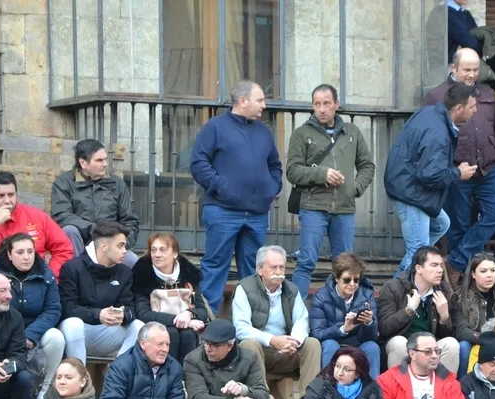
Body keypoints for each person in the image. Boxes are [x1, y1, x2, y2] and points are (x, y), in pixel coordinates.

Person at [190, 80, 282, 313]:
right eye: (260, 100)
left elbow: (275, 165)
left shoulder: (264, 132)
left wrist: (272, 188)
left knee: (254, 272)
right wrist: (220, 186)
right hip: (222, 211)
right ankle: (206, 321)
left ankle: (253, 322)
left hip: (257, 214)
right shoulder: (215, 127)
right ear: (243, 101)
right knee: (215, 267)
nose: (264, 105)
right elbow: (198, 163)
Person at [424, 49, 495, 277]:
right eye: (467, 70)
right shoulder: (436, 96)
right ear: (453, 68)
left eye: (475, 70)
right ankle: (465, 278)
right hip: (457, 170)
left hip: (488, 167)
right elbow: (429, 135)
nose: (472, 75)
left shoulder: (487, 92)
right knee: (458, 225)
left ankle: (456, 262)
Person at [287, 84, 375, 298]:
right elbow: (292, 171)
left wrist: (355, 188)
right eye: (317, 104)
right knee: (306, 261)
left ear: (336, 104)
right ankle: (297, 311)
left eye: (326, 103)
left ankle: (341, 309)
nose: (322, 109)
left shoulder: (352, 132)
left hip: (344, 208)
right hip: (313, 206)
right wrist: (322, 174)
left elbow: (367, 166)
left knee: (345, 265)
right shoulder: (301, 134)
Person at [385, 82, 477, 276]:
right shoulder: (438, 134)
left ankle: (406, 276)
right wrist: (458, 173)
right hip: (411, 193)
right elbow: (430, 175)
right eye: (472, 107)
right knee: (418, 252)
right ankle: (398, 288)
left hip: (405, 185)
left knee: (442, 224)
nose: (475, 110)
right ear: (459, 109)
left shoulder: (429, 113)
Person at [233, 245, 321, 399]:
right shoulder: (244, 289)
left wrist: (294, 341)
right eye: (273, 267)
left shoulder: (291, 289)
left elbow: (302, 319)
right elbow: (241, 328)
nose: (279, 271)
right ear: (259, 269)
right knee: (249, 344)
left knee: (312, 344)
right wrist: (272, 340)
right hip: (260, 350)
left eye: (282, 267)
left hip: (285, 350)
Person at [0, 233, 65, 399]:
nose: (26, 257)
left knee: (56, 337)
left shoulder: (46, 274)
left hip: (34, 332)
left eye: (30, 251)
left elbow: (53, 310)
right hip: (2, 331)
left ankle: (45, 389)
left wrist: (30, 335)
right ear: (9, 254)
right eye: (20, 252)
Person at [58, 220, 143, 364]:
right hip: (77, 332)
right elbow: (68, 309)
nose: (125, 251)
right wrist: (98, 315)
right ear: (104, 246)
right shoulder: (72, 268)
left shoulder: (125, 272)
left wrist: (123, 315)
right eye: (120, 245)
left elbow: (130, 307)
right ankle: (78, 375)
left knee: (138, 327)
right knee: (73, 324)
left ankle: (118, 374)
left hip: (107, 332)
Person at [0, 171, 73, 284]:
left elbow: (64, 248)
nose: (7, 201)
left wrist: (50, 276)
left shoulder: (37, 216)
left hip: (34, 278)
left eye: (11, 195)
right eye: (0, 196)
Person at [49, 138, 139, 261]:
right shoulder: (64, 183)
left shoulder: (117, 184)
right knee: (69, 230)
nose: (105, 164)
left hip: (110, 243)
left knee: (132, 260)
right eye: (99, 160)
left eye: (105, 159)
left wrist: (121, 244)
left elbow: (130, 221)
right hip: (80, 242)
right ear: (83, 163)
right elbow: (61, 216)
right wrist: (95, 230)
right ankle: (77, 269)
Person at [377, 245, 460, 373]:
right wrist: (408, 310)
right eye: (434, 265)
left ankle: (445, 386)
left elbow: (448, 334)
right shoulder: (393, 287)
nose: (440, 270)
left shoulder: (444, 291)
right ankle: (399, 385)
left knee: (451, 344)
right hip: (403, 344)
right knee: (399, 342)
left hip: (429, 346)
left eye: (440, 265)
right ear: (418, 268)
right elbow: (384, 328)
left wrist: (444, 318)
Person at [131, 233, 208, 363]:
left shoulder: (189, 274)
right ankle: (164, 373)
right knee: (170, 333)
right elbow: (143, 314)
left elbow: (202, 311)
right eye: (153, 250)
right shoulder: (141, 275)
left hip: (187, 328)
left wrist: (189, 314)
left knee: (188, 334)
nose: (157, 255)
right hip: (154, 327)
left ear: (175, 253)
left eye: (163, 250)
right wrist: (180, 320)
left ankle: (186, 373)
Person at [310, 253, 379, 378]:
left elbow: (371, 338)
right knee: (330, 345)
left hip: (357, 344)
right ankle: (328, 387)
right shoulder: (321, 297)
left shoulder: (367, 295)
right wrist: (342, 329)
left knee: (372, 347)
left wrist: (369, 323)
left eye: (356, 280)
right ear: (336, 278)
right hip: (333, 343)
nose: (352, 284)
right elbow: (316, 333)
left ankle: (372, 389)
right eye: (347, 280)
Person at [452, 252, 495, 375]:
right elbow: (462, 330)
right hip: (474, 342)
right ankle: (464, 382)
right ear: (473, 274)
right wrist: (484, 339)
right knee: (464, 346)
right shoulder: (460, 297)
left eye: (492, 270)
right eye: (483, 271)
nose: (489, 275)